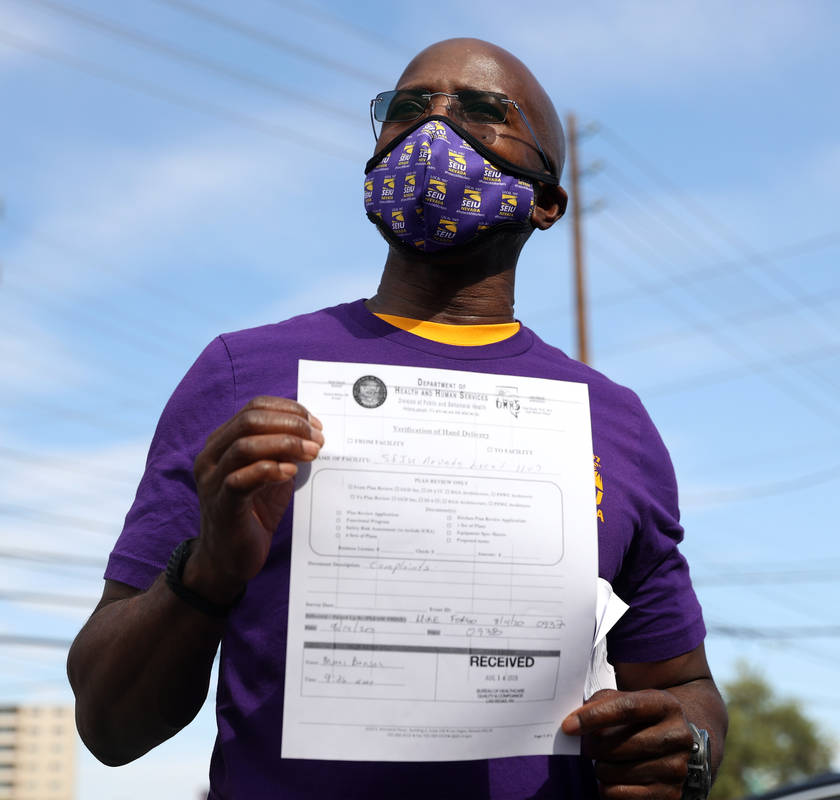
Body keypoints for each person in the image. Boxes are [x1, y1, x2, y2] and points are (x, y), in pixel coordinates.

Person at [68, 37, 727, 800]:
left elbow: (686, 684)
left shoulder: (614, 423)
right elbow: (110, 728)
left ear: (547, 200)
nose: (433, 127)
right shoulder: (242, 377)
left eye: (483, 110)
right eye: (406, 108)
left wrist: (689, 751)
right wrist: (210, 569)